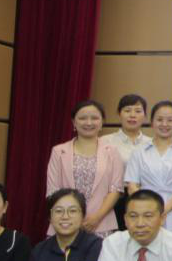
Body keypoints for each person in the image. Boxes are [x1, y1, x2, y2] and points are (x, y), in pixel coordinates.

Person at [47, 100, 125, 236]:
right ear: (74, 122)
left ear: (102, 122)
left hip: (101, 223)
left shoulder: (112, 151)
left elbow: (116, 189)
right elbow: (53, 191)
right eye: (82, 118)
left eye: (94, 118)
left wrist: (97, 218)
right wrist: (71, 217)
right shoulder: (58, 151)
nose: (89, 123)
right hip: (65, 223)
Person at [126, 101, 172, 240]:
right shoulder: (138, 151)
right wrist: (147, 208)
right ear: (152, 122)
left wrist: (163, 209)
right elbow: (132, 185)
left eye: (170, 120)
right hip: (145, 211)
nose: (164, 124)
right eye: (159, 119)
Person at [103, 94, 154, 229]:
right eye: (127, 110)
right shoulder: (105, 141)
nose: (132, 115)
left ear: (145, 115)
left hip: (144, 197)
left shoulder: (151, 143)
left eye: (138, 111)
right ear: (119, 113)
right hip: (114, 198)